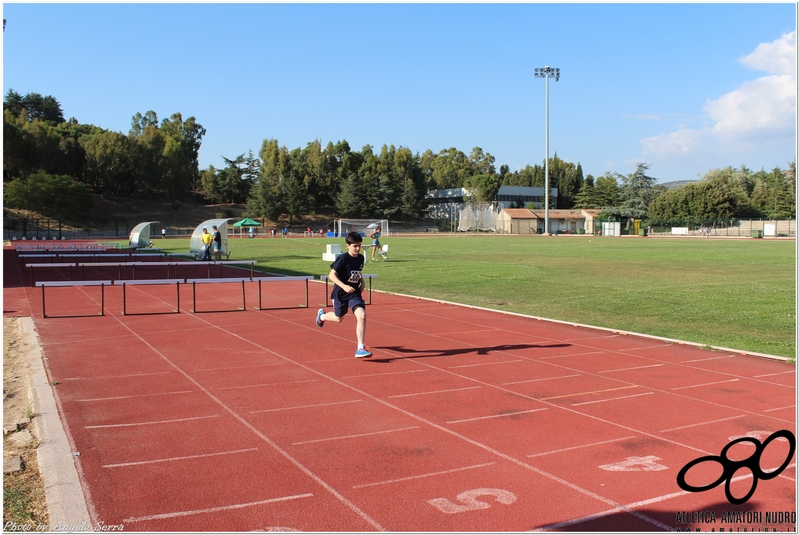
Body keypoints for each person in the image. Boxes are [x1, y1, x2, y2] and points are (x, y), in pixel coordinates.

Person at [315, 231, 372, 358]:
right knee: (338, 318)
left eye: (359, 245)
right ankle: (322, 316)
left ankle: (360, 348)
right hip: (340, 293)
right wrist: (344, 286)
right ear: (348, 245)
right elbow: (331, 275)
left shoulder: (361, 258)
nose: (357, 248)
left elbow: (358, 271)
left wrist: (362, 282)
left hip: (354, 293)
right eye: (354, 246)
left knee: (362, 316)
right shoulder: (342, 258)